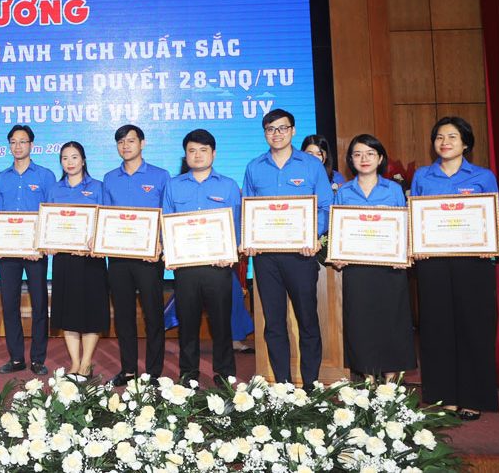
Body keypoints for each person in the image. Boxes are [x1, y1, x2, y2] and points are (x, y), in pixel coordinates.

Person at [411, 116, 499, 419]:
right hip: (433, 263)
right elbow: (414, 216)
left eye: (452, 137)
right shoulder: (423, 176)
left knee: (473, 327)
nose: (445, 142)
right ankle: (443, 397)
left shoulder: (482, 176)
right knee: (436, 327)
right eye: (439, 137)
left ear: (465, 143)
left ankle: (472, 397)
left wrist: (491, 233)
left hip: (473, 262)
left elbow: (497, 215)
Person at [242, 108, 333, 386]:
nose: (277, 134)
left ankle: (311, 385)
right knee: (273, 323)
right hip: (266, 258)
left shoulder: (311, 165)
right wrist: (249, 239)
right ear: (265, 134)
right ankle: (282, 385)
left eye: (282, 128)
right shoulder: (254, 167)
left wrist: (313, 236)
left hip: (301, 255)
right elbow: (248, 209)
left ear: (293, 130)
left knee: (307, 320)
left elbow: (325, 206)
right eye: (270, 129)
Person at [330, 134, 415, 382]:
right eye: (357, 154)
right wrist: (337, 254)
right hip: (357, 269)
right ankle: (367, 375)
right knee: (360, 320)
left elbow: (405, 226)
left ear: (380, 158)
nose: (363, 159)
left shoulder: (394, 189)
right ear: (351, 160)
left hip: (390, 267)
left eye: (370, 154)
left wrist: (405, 251)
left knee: (392, 319)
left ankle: (391, 376)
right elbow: (338, 230)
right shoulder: (344, 192)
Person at [163, 129, 241, 384]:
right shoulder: (173, 185)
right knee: (187, 323)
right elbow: (166, 221)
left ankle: (225, 373)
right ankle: (188, 374)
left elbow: (237, 225)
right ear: (185, 155)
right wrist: (168, 250)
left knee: (221, 323)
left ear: (213, 153)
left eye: (203, 150)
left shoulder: (228, 185)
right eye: (192, 151)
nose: (197, 155)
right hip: (185, 267)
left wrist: (231, 251)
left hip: (218, 267)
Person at [101, 124, 169, 386]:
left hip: (149, 258)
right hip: (118, 258)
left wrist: (161, 243)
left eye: (131, 141)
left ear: (142, 143)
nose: (125, 146)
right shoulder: (110, 178)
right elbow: (105, 215)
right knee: (123, 316)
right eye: (121, 142)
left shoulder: (161, 176)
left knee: (153, 315)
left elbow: (167, 214)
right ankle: (128, 369)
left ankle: (153, 372)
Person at [0, 125, 55, 376]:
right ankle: (16, 358)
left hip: (35, 251)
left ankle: (38, 359)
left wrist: (41, 244)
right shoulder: (0, 178)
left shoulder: (46, 176)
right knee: (9, 304)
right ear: (9, 146)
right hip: (8, 253)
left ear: (32, 145)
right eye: (13, 142)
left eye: (23, 141)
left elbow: (50, 213)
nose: (18, 146)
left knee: (39, 304)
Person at [47, 141, 107, 381]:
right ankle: (74, 362)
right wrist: (48, 242)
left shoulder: (98, 187)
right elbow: (48, 222)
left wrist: (96, 241)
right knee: (68, 312)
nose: (70, 162)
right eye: (65, 158)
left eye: (74, 157)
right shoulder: (54, 189)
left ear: (83, 160)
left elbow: (106, 219)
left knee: (91, 312)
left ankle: (86, 362)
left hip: (91, 260)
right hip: (63, 261)